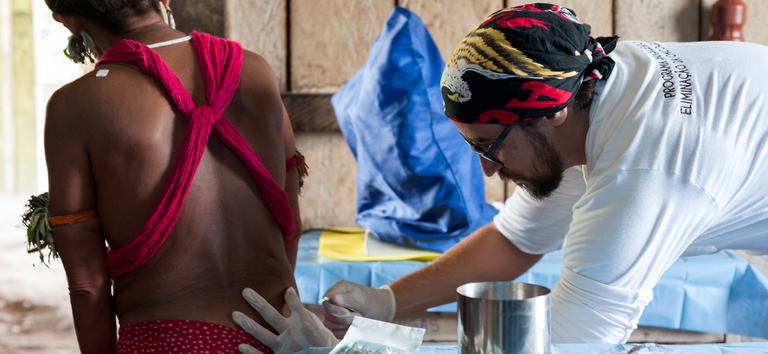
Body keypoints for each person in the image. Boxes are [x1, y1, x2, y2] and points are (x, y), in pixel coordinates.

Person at [237, 3, 768, 347]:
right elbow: (516, 240)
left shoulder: (642, 170)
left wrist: (351, 351)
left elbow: (566, 346)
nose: (488, 170)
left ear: (550, 113)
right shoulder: (594, 86)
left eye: (489, 146)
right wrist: (388, 302)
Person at [42, 0, 320, 352]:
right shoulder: (255, 70)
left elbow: (88, 287)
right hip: (282, 335)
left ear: (66, 21)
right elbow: (289, 227)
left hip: (169, 342)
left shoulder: (75, 107)